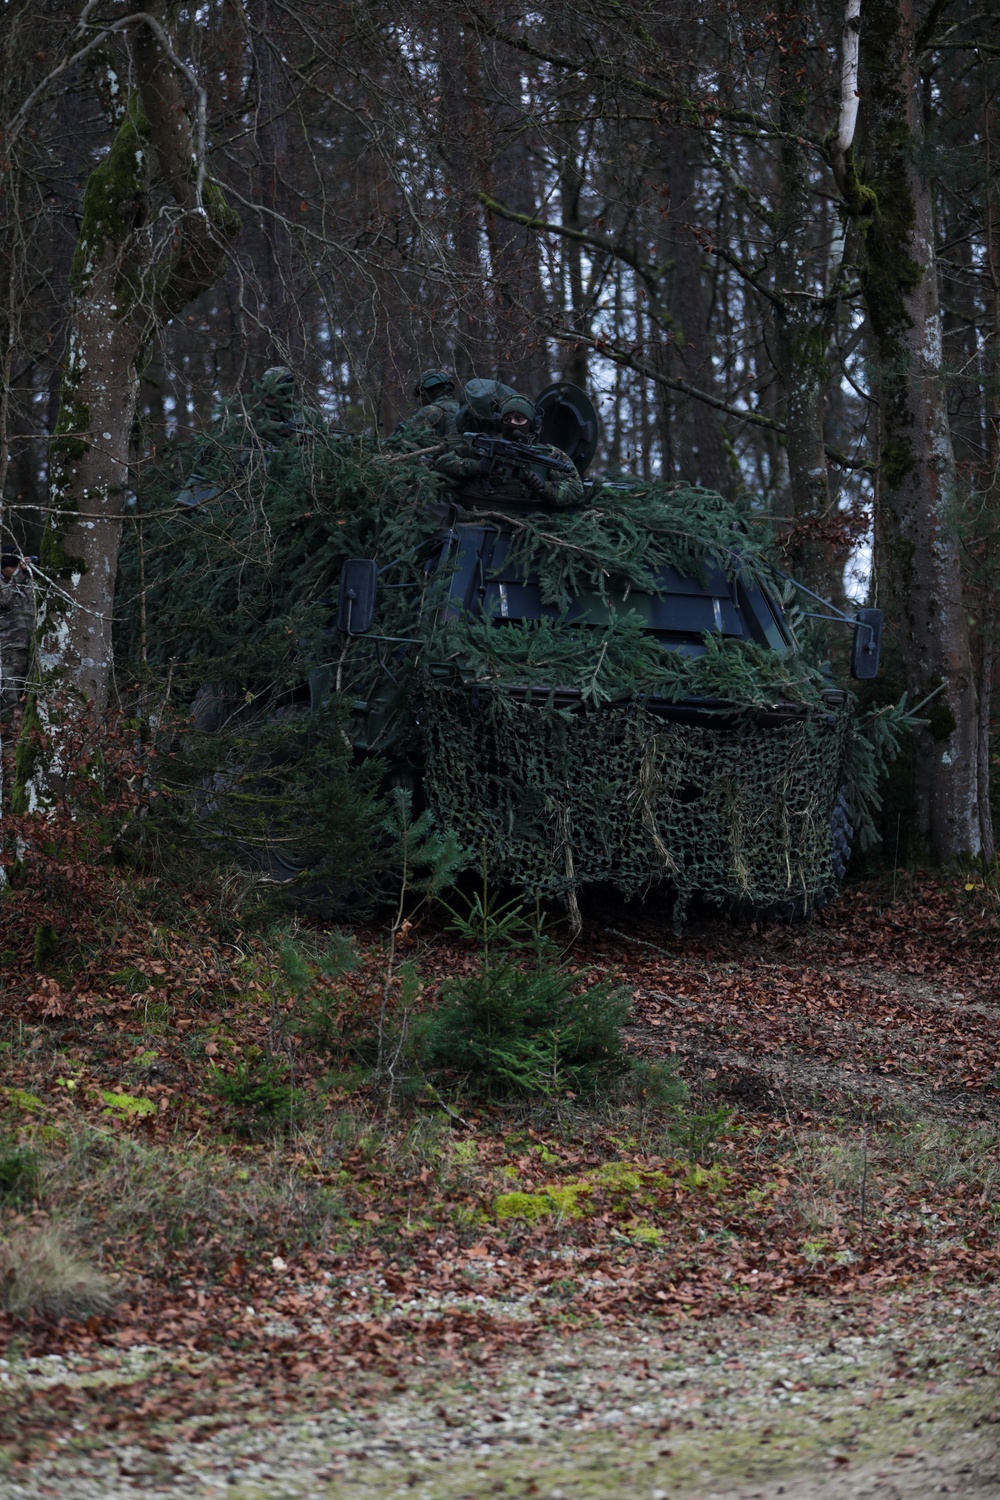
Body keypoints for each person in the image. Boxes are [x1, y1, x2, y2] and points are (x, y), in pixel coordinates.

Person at [434, 393, 584, 507]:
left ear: (532, 424)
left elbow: (576, 489)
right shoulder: (487, 445)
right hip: (486, 510)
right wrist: (476, 466)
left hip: (530, 517)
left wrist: (545, 487)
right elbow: (443, 463)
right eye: (507, 420)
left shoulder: (549, 455)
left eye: (519, 420)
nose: (512, 424)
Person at [0, 551, 34, 717]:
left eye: (16, 566)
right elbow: (6, 599)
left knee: (29, 696)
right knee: (7, 698)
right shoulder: (7, 583)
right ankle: (5, 741)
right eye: (11, 566)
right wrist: (18, 575)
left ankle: (27, 738)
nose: (14, 569)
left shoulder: (25, 582)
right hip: (7, 650)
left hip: (29, 648)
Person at [395, 369, 462, 440]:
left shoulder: (431, 410)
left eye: (420, 394)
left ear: (425, 391)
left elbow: (400, 435)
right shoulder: (463, 407)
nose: (420, 399)